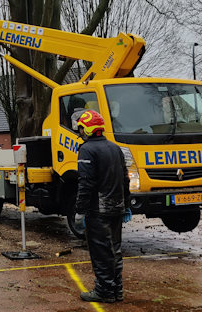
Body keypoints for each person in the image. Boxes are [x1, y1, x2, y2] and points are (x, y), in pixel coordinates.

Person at [73, 110, 131, 303]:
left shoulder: (87, 150)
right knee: (115, 250)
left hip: (98, 210)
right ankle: (117, 290)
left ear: (87, 129)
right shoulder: (116, 148)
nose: (80, 131)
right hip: (117, 207)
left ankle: (104, 291)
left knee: (101, 252)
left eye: (81, 127)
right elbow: (125, 179)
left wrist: (80, 210)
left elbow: (86, 183)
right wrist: (127, 204)